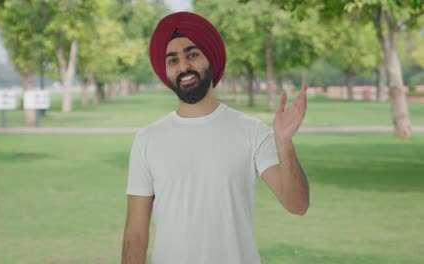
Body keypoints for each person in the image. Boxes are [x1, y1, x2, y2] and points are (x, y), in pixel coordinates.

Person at [121, 11, 309, 264]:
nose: (184, 66)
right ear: (165, 71)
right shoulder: (147, 140)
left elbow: (297, 205)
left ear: (210, 57)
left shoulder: (253, 132)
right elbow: (136, 233)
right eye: (173, 60)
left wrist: (284, 143)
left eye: (192, 54)